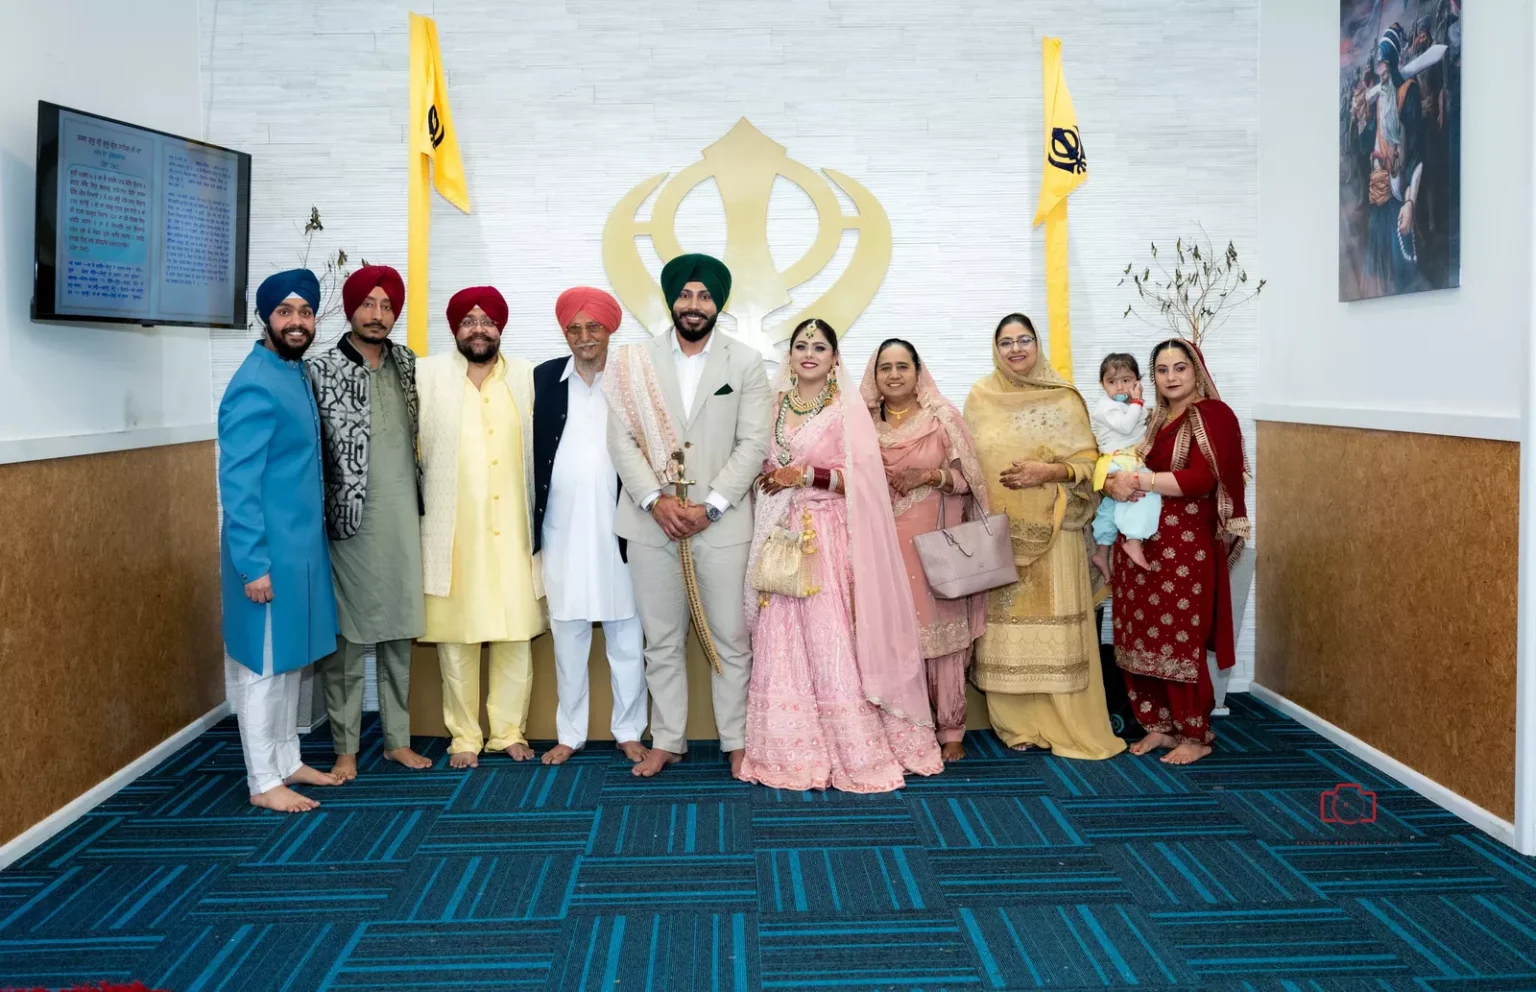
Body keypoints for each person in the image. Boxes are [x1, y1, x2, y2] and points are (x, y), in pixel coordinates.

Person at [738, 320, 942, 792]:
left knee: (831, 637)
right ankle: (792, 748)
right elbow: (760, 466)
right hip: (779, 535)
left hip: (827, 537)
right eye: (801, 345)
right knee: (781, 636)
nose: (809, 352)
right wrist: (769, 484)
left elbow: (867, 484)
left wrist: (807, 476)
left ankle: (854, 747)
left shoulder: (845, 411)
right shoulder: (770, 407)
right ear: (788, 356)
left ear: (835, 359)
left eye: (820, 346)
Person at [605, 253, 772, 779]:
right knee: (661, 639)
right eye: (685, 295)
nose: (693, 305)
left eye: (703, 296)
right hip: (652, 522)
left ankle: (736, 741)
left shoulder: (744, 363)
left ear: (717, 303)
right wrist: (657, 501)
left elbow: (753, 444)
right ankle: (668, 740)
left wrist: (711, 506)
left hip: (721, 526)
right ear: (671, 300)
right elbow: (622, 441)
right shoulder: (633, 361)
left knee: (731, 638)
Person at [962, 314, 1126, 761]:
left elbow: (1090, 463)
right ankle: (1017, 725)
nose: (1016, 349)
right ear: (995, 349)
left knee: (1058, 630)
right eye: (1006, 342)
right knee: (1005, 634)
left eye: (1024, 340)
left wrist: (1047, 471)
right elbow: (969, 464)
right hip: (1001, 537)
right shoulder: (980, 397)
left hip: (1056, 533)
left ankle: (1063, 723)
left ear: (1038, 345)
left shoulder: (1063, 397)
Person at [219, 269, 342, 812]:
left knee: (289, 660)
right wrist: (253, 565)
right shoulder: (253, 381)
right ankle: (263, 780)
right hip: (266, 557)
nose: (297, 322)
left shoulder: (290, 372)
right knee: (262, 669)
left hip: (300, 555)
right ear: (266, 318)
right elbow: (238, 483)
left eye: (306, 312)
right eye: (285, 312)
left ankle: (288, 760)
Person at [306, 265, 430, 780]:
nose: (377, 315)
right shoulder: (320, 369)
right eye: (368, 304)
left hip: (402, 517)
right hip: (348, 522)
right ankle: (346, 748)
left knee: (400, 634)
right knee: (348, 642)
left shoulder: (406, 362)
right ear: (351, 308)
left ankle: (397, 740)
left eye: (386, 306)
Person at [1102, 338, 1248, 765]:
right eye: (1162, 370)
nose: (1171, 377)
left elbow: (1202, 479)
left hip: (1185, 547)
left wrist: (1140, 482)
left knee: (1179, 640)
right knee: (1139, 634)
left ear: (1196, 370)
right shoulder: (1154, 419)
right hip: (1141, 540)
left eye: (1179, 368)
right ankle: (1160, 726)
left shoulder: (1212, 416)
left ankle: (1195, 734)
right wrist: (1115, 481)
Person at [418, 286, 543, 768]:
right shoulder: (426, 376)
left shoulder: (529, 378)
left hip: (513, 527)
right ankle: (464, 737)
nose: (477, 327)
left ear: (500, 328)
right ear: (454, 328)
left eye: (487, 320)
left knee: (515, 634)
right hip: (452, 531)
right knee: (458, 636)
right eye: (468, 320)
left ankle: (509, 732)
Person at [532, 287, 648, 766]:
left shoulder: (631, 378)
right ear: (565, 333)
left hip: (622, 530)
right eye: (575, 329)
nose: (584, 337)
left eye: (593, 327)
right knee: (569, 635)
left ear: (610, 329)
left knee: (626, 634)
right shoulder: (543, 378)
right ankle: (570, 733)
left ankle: (628, 730)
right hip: (561, 529)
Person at [860, 338, 988, 762]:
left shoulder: (942, 420)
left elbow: (970, 480)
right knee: (889, 635)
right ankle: (899, 724)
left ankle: (950, 727)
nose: (894, 374)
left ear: (918, 372)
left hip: (935, 543)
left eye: (902, 366)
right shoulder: (859, 425)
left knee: (942, 634)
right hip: (879, 546)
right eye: (885, 367)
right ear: (874, 376)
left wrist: (929, 476)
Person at [1088, 352, 1160, 578]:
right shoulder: (1105, 407)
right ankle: (1134, 539)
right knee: (1148, 491)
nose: (1119, 388)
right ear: (1102, 385)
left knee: (1110, 508)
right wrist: (1138, 401)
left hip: (1116, 462)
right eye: (1111, 382)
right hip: (1119, 460)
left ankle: (1102, 550)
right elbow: (1127, 427)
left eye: (1126, 380)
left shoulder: (1130, 405)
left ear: (1137, 381)